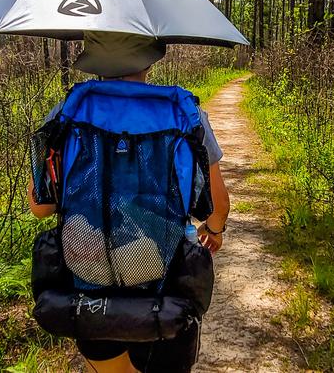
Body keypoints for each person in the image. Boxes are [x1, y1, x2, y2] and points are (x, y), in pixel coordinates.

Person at [27, 31, 230, 373]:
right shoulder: (183, 112)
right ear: (149, 59)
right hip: (167, 287)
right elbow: (217, 205)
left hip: (88, 287)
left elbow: (42, 207)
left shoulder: (66, 112)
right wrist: (215, 229)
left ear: (94, 59)